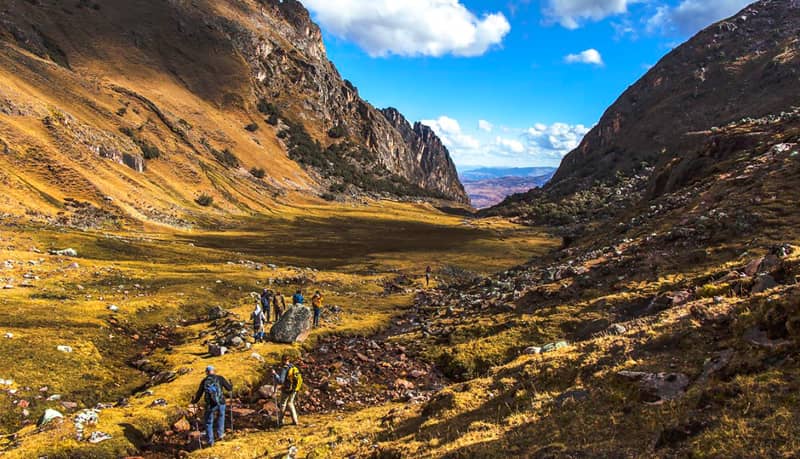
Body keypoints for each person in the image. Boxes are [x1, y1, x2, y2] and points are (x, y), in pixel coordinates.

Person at [190, 366, 232, 446]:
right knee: (221, 416)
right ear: (213, 371)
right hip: (221, 402)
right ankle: (220, 435)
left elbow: (199, 394)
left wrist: (194, 401)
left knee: (209, 422)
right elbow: (229, 389)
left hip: (210, 404)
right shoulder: (220, 378)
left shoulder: (204, 381)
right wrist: (231, 385)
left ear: (206, 372)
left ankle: (210, 441)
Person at [272, 354, 302, 427]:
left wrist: (275, 374)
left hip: (286, 389)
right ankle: (295, 420)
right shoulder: (293, 367)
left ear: (283, 360)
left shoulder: (284, 369)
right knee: (290, 403)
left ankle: (281, 421)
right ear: (289, 360)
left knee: (283, 404)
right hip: (294, 389)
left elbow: (281, 381)